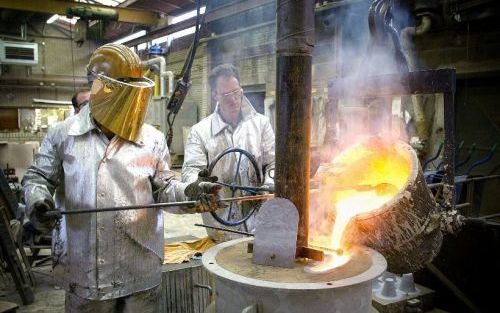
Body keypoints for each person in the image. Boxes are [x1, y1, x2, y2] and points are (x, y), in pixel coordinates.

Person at [22, 43, 221, 313]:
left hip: (140, 270)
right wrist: (38, 201)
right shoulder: (63, 135)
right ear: (101, 89)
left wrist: (190, 193)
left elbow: (164, 190)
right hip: (87, 274)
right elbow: (37, 178)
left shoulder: (152, 138)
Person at [182, 63, 275, 241]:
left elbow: (273, 162)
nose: (233, 100)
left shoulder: (261, 124)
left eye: (236, 93)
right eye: (226, 95)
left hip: (259, 224)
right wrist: (200, 187)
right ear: (215, 95)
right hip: (221, 230)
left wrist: (268, 184)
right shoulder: (200, 132)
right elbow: (190, 172)